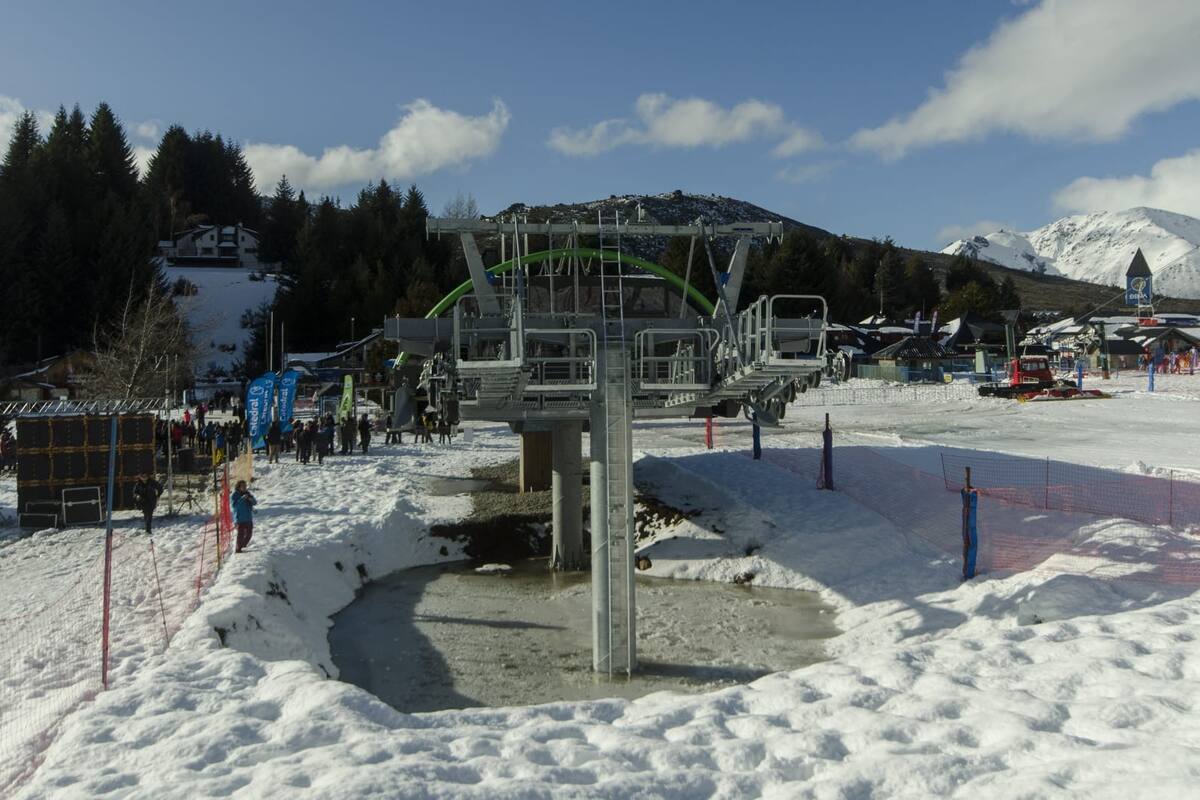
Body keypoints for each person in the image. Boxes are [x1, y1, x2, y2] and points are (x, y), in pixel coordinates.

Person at [231, 480, 257, 552]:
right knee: (240, 535)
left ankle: (243, 545)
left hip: (248, 518)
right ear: (239, 487)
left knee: (249, 534)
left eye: (245, 486)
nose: (245, 487)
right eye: (243, 486)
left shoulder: (248, 493)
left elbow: (255, 502)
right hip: (239, 519)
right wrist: (242, 498)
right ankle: (238, 549)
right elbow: (234, 506)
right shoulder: (235, 495)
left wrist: (250, 499)